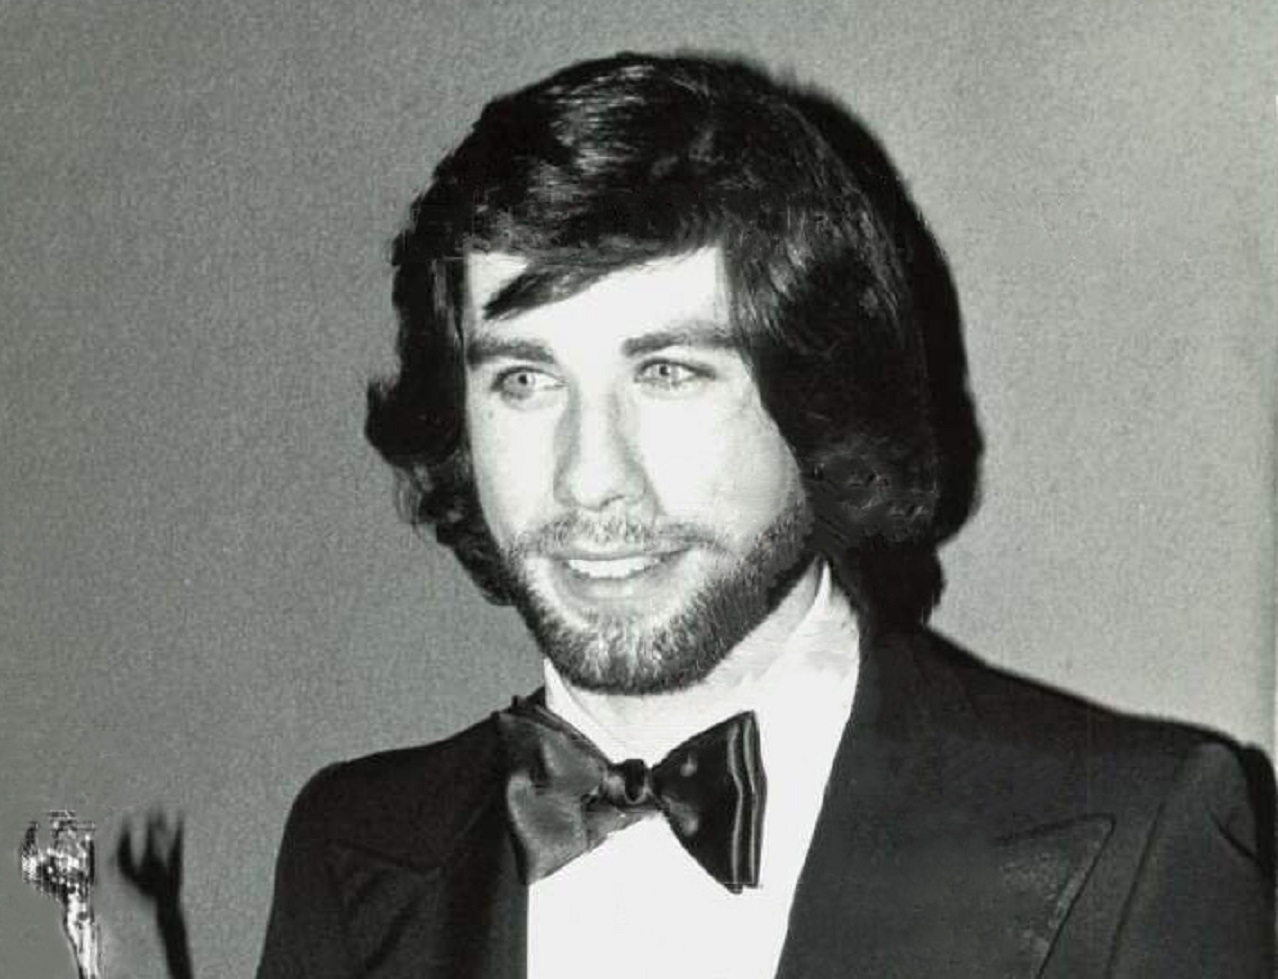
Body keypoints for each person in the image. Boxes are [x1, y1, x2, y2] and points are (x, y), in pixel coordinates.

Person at [256, 52, 1274, 978]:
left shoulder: (1140, 839)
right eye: (524, 379)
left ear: (817, 403)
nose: (588, 479)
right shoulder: (353, 845)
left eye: (667, 372)